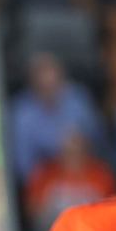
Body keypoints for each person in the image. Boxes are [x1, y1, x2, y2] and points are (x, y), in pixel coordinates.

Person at [10, 52, 106, 182]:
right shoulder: (22, 112)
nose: (49, 89)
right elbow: (24, 164)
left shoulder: (78, 98)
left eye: (53, 85)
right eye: (43, 87)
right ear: (32, 84)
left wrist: (78, 146)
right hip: (44, 179)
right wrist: (49, 180)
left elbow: (98, 140)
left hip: (85, 172)